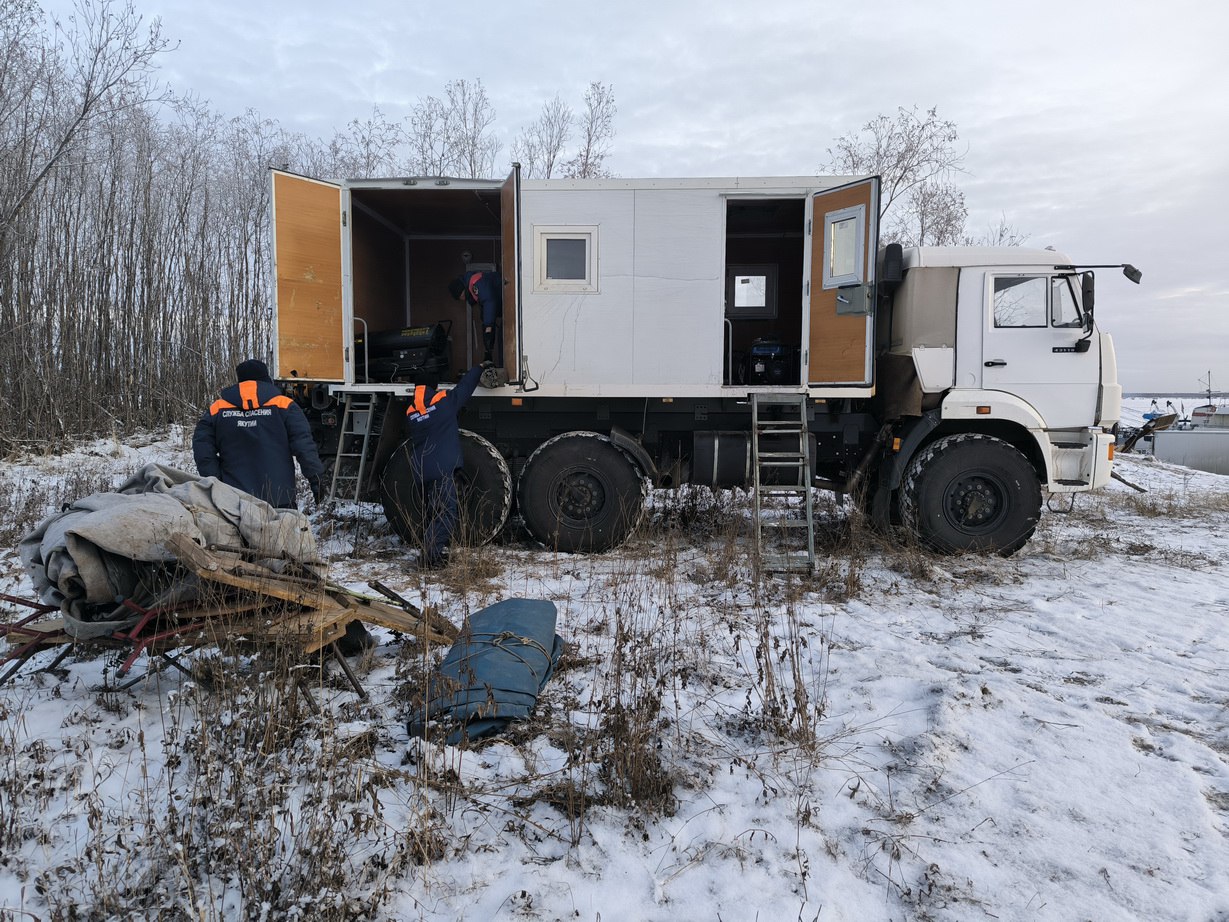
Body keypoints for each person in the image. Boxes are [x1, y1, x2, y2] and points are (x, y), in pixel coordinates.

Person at [192, 358, 327, 509]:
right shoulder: (285, 405)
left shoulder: (217, 409)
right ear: (265, 379)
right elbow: (305, 447)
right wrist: (317, 481)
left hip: (233, 500)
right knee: (280, 533)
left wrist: (215, 482)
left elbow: (202, 449)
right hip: (280, 499)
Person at [404, 364, 486, 568]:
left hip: (423, 470)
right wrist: (479, 368)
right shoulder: (444, 405)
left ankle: (431, 554)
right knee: (446, 514)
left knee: (436, 513)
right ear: (434, 386)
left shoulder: (412, 412)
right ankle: (429, 558)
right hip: (442, 469)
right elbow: (465, 388)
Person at [448, 268, 503, 364]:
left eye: (460, 297)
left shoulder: (476, 283)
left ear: (462, 291)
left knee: (502, 338)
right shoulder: (474, 283)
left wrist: (488, 328)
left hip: (510, 307)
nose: (462, 300)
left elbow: (489, 302)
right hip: (504, 307)